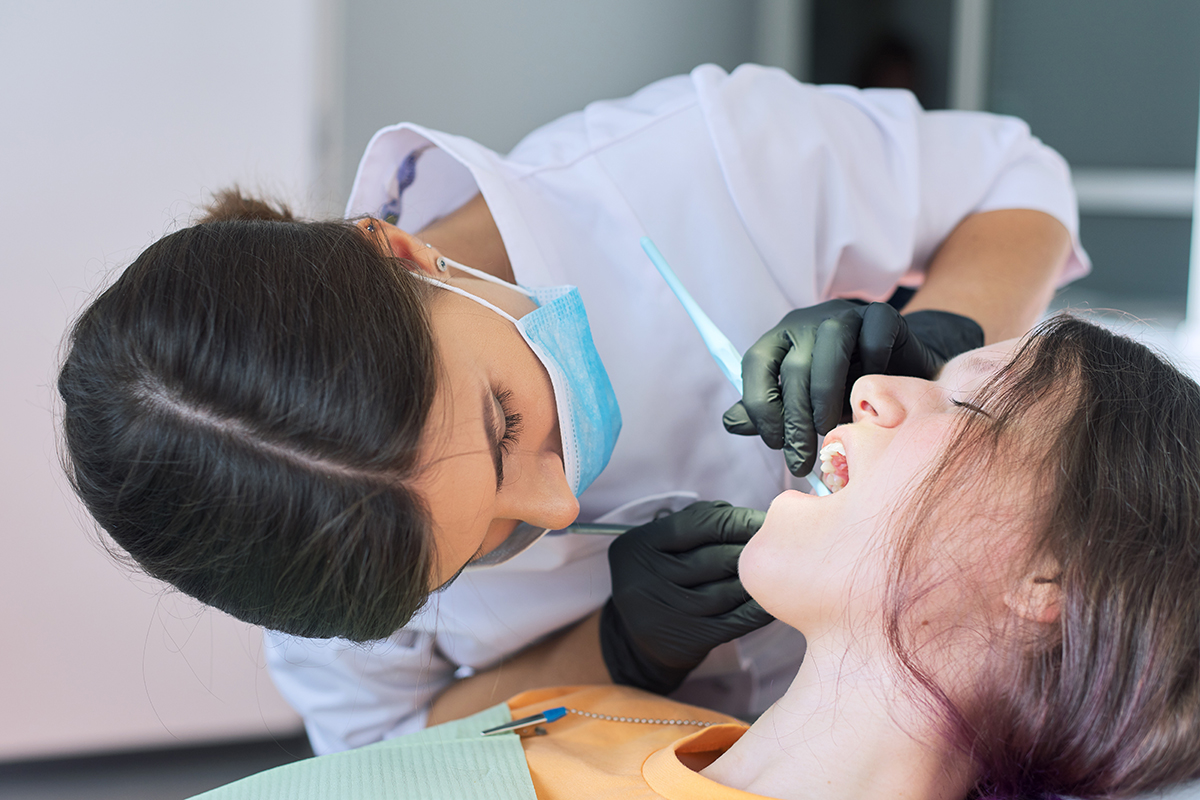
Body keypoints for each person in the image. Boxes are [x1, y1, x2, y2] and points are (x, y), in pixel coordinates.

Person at [57, 63, 1087, 754]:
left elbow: (1019, 184)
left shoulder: (692, 163)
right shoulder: (316, 571)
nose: (555, 506)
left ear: (400, 249)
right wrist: (613, 647)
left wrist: (941, 338)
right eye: (474, 550)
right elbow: (408, 760)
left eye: (504, 418)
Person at [189, 315, 1200, 800]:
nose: (874, 389)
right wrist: (618, 646)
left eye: (967, 399)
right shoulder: (634, 724)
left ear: (1053, 582)